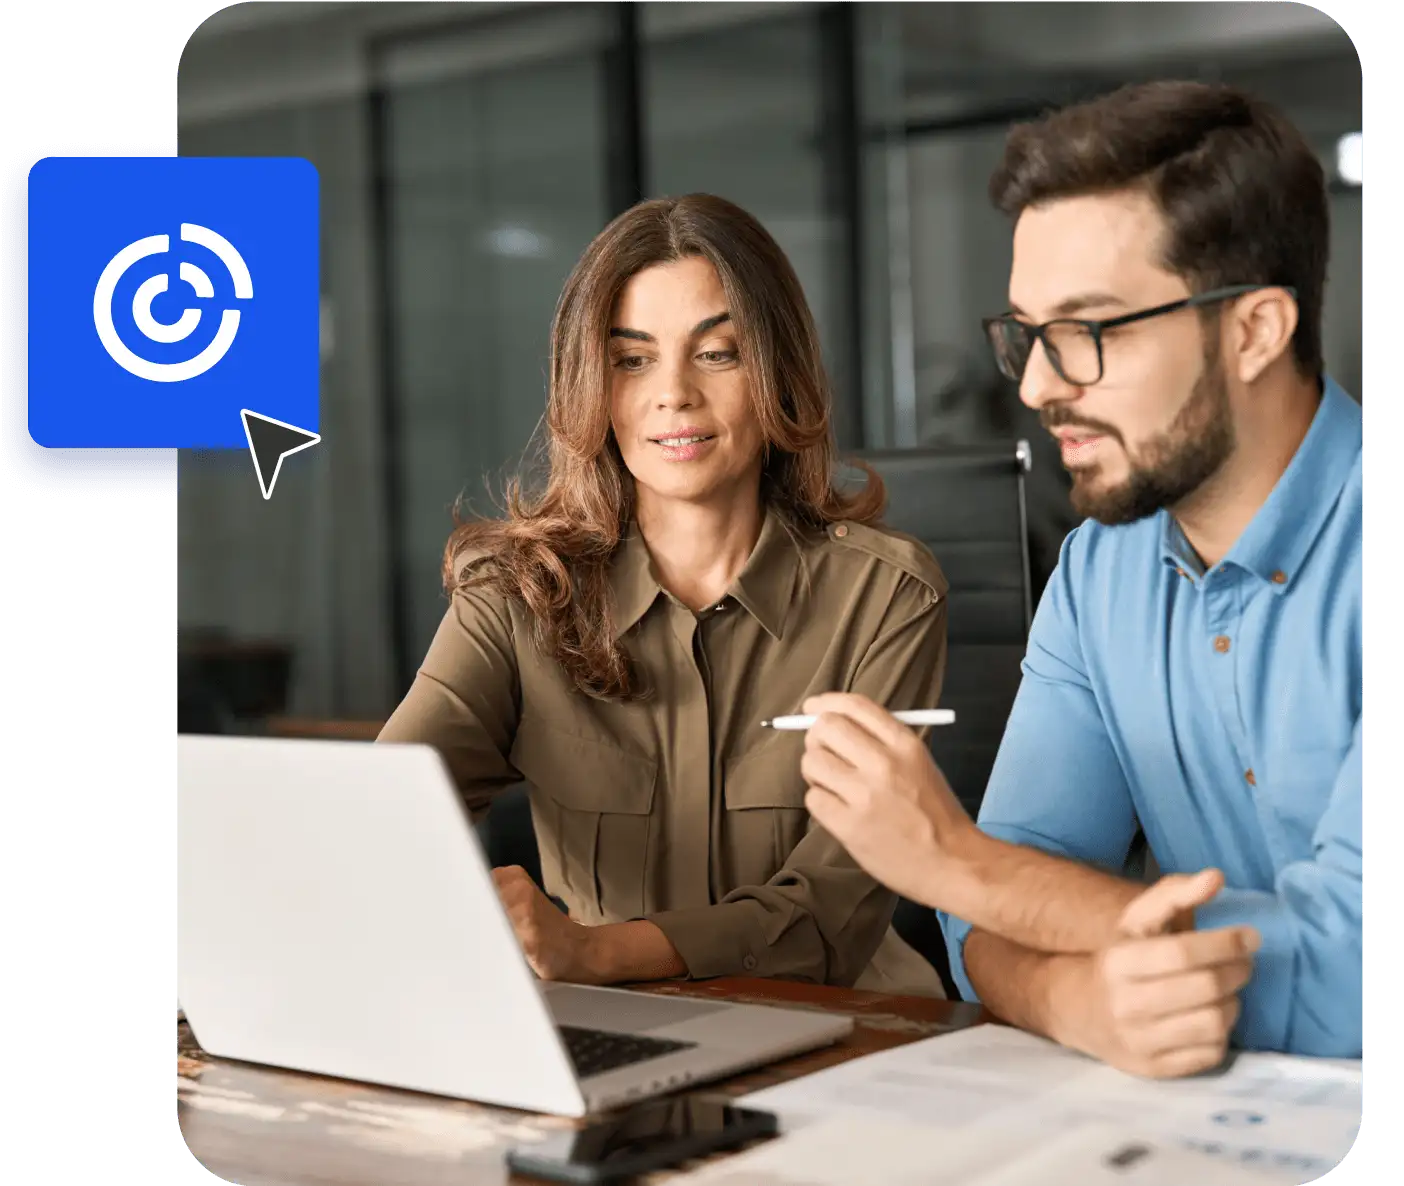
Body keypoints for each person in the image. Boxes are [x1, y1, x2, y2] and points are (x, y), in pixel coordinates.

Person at [796, 81, 1364, 1073]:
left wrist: (958, 863)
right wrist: (1075, 999)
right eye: (1027, 332)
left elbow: (1351, 971)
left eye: (1088, 331)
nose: (1036, 385)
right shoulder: (1102, 570)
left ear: (1254, 331)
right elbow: (990, 929)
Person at [377, 193, 951, 998]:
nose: (673, 393)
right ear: (591, 382)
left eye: (717, 353)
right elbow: (382, 813)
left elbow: (831, 908)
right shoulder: (512, 597)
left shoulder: (884, 595)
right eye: (632, 359)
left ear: (776, 369)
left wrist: (596, 953)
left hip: (849, 1028)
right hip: (610, 1034)